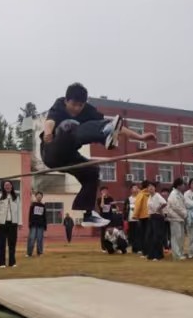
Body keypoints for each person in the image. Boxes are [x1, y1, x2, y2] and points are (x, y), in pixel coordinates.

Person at [39, 84, 153, 227]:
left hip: (69, 156)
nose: (76, 109)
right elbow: (49, 121)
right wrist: (48, 133)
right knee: (70, 124)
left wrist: (139, 137)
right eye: (73, 104)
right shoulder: (59, 104)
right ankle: (104, 136)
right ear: (66, 101)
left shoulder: (88, 110)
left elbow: (112, 124)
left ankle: (88, 214)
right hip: (51, 150)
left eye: (80, 105)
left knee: (92, 171)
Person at [0, 181, 20, 268]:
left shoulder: (16, 197)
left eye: (9, 185)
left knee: (12, 243)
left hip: (13, 223)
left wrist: (20, 222)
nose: (7, 187)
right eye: (6, 185)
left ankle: (12, 262)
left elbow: (19, 210)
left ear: (12, 186)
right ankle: (1, 263)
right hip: (2, 223)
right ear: (3, 187)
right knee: (1, 243)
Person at [166, 179, 188, 259]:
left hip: (180, 217)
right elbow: (176, 207)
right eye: (183, 184)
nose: (184, 186)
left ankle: (180, 253)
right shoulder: (173, 194)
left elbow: (183, 205)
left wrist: (184, 214)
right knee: (176, 237)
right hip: (175, 217)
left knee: (181, 236)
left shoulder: (180, 194)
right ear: (178, 185)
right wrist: (184, 214)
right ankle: (177, 255)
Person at [26, 191, 48, 256]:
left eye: (40, 196)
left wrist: (45, 225)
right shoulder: (32, 205)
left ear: (42, 197)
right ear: (36, 196)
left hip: (41, 225)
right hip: (33, 224)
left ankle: (40, 252)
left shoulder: (43, 206)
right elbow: (30, 215)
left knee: (40, 239)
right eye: (38, 196)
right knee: (31, 238)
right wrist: (29, 223)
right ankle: (29, 253)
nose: (39, 197)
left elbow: (44, 216)